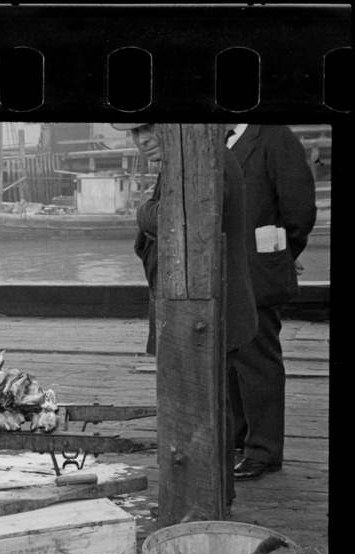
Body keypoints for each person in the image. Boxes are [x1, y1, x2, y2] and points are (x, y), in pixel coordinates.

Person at [112, 122, 258, 511]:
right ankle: (215, 492)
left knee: (203, 408)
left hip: (206, 309)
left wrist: (144, 212)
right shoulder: (197, 155)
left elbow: (184, 215)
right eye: (134, 133)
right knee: (213, 405)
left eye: (149, 128)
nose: (142, 140)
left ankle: (207, 495)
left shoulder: (205, 158)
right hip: (206, 306)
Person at [225, 124, 317, 481]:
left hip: (258, 273)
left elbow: (299, 211)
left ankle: (263, 451)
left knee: (258, 358)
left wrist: (276, 257)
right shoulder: (221, 140)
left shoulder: (275, 137)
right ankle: (239, 436)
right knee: (233, 356)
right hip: (226, 272)